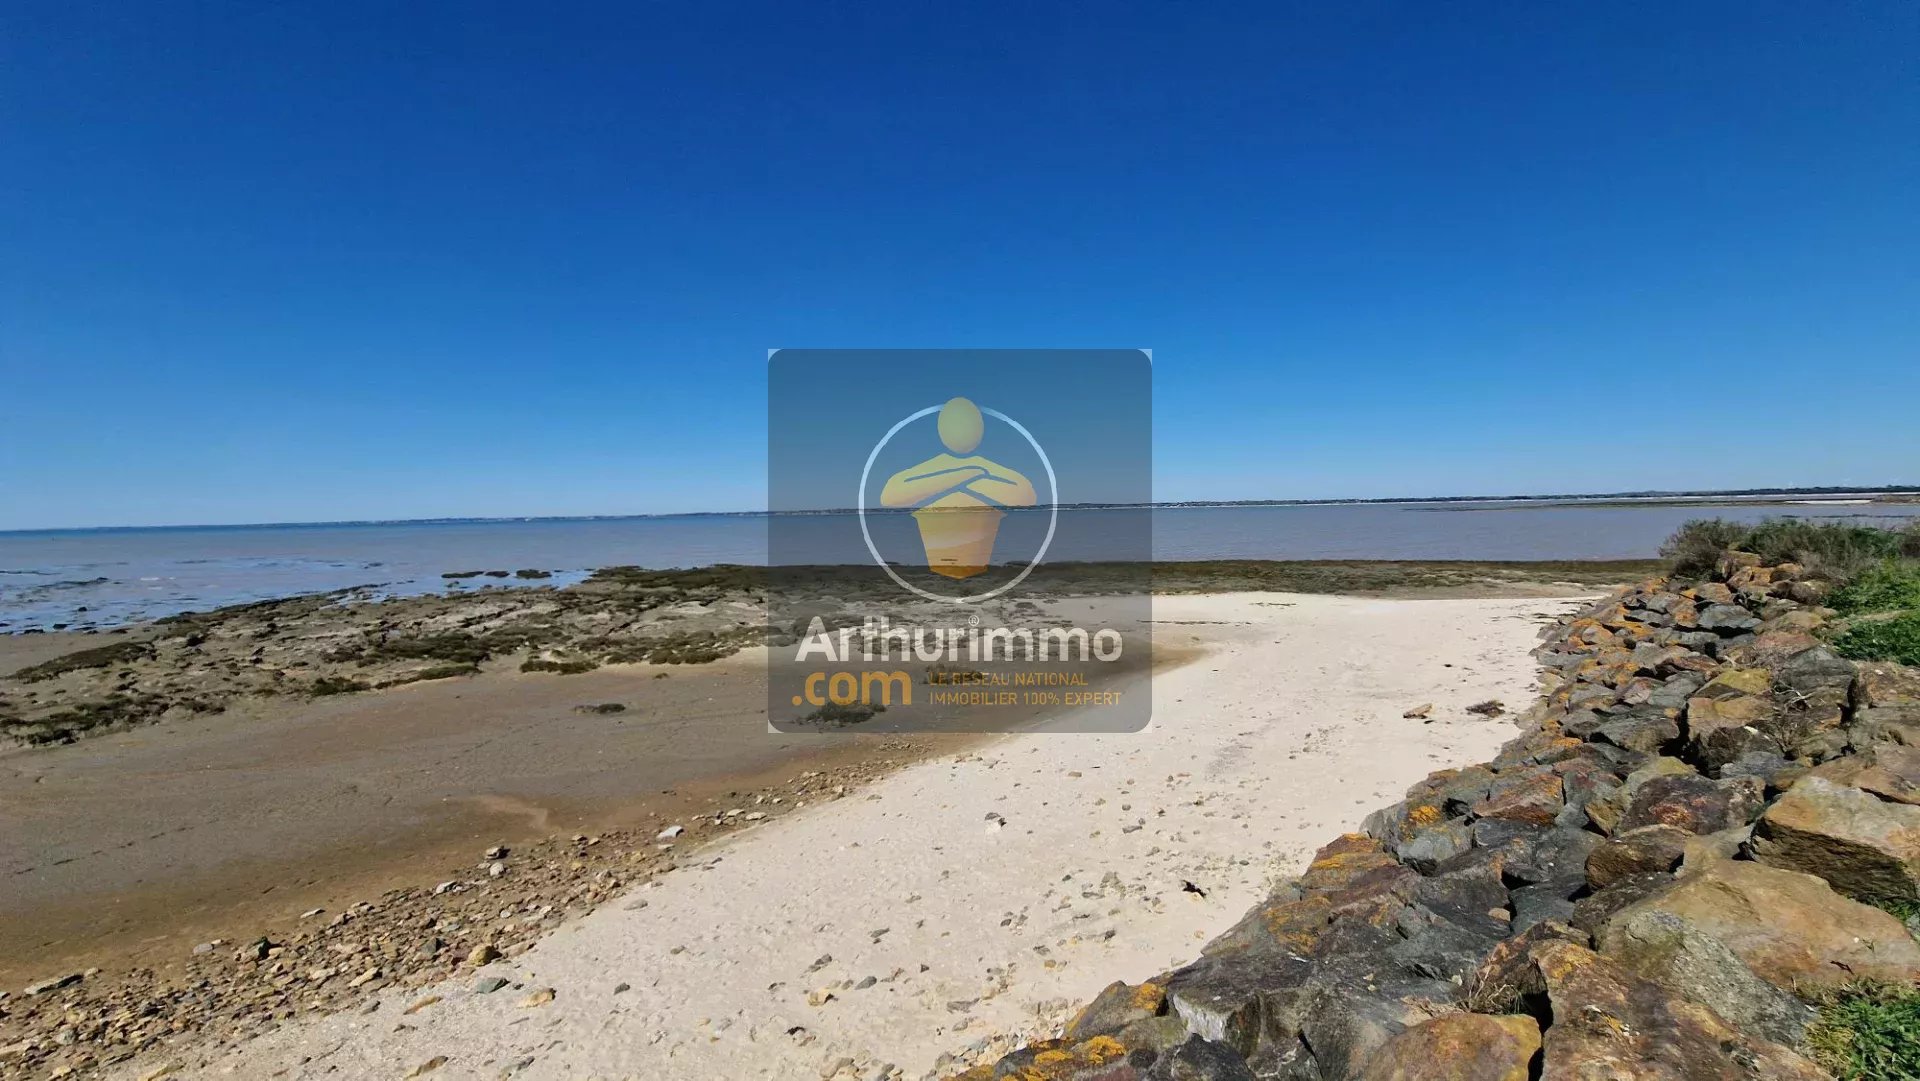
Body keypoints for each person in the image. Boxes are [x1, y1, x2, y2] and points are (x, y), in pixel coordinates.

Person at [880, 397, 1035, 578]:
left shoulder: (986, 465)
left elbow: (1026, 495)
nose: (962, 432)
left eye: (969, 425)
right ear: (941, 430)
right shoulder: (966, 467)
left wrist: (963, 476)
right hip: (938, 540)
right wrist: (971, 472)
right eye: (955, 425)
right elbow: (890, 496)